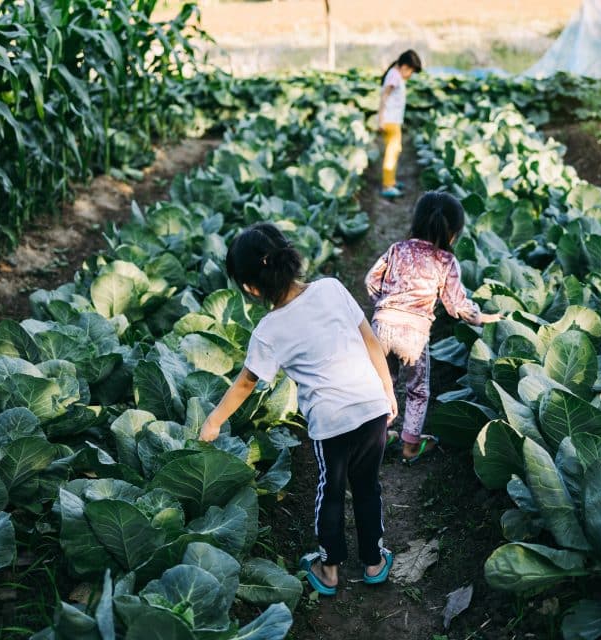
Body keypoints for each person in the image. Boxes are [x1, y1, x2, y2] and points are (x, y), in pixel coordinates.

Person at [199, 222, 397, 597]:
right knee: (368, 486)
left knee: (332, 490)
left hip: (331, 421)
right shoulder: (332, 288)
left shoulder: (269, 330)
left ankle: (329, 568)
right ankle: (373, 561)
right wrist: (387, 390)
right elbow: (369, 339)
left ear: (251, 288)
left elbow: (246, 383)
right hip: (371, 408)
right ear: (292, 259)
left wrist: (213, 421)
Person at [365, 192, 501, 463]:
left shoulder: (397, 249)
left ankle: (379, 438)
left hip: (381, 326)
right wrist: (482, 317)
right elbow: (456, 306)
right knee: (417, 389)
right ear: (453, 233)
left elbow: (371, 279)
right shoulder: (446, 261)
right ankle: (410, 445)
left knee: (383, 382)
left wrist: (383, 306)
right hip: (414, 334)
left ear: (415, 222)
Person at [377, 50, 422, 199]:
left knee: (394, 151)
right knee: (392, 152)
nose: (410, 75)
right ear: (404, 66)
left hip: (393, 120)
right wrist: (381, 119)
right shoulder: (394, 76)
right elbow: (384, 96)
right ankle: (387, 185)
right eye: (410, 71)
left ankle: (391, 181)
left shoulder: (394, 75)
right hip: (390, 120)